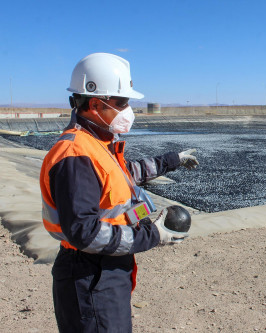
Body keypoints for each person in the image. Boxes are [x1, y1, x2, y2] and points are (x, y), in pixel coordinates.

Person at [40, 52, 199, 332]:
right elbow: (85, 233)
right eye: (122, 102)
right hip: (90, 273)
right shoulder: (76, 155)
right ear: (94, 104)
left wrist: (173, 159)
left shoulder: (97, 145)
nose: (128, 110)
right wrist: (153, 234)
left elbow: (125, 176)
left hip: (104, 270)